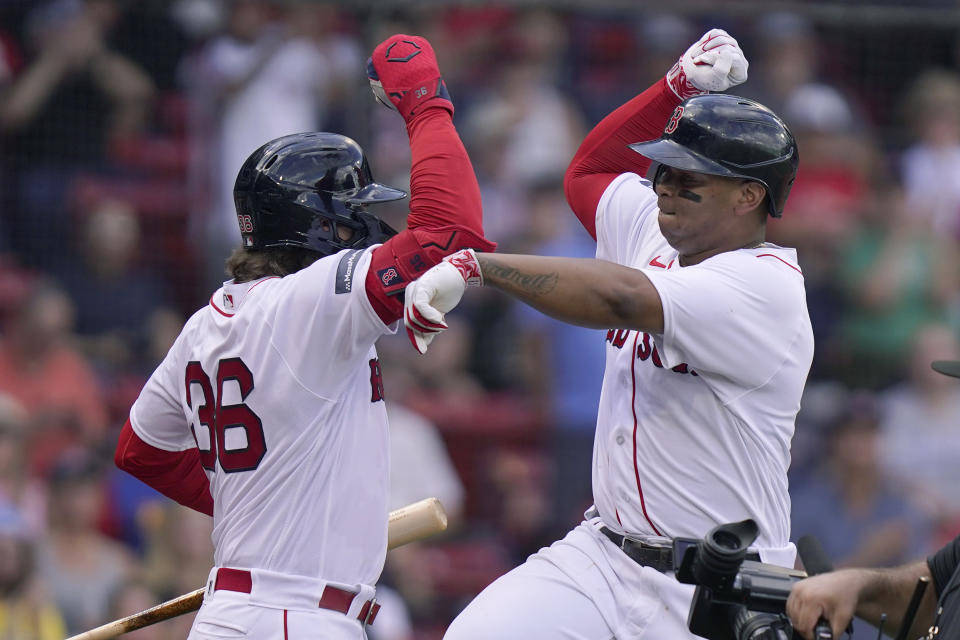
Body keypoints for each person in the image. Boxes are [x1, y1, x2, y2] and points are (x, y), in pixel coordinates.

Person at [404, 29, 814, 639]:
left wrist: (479, 266)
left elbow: (619, 296)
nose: (666, 189)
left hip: (720, 586)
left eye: (689, 178)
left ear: (748, 196)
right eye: (664, 172)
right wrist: (676, 87)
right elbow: (591, 169)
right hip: (604, 556)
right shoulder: (662, 231)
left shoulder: (767, 287)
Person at [112, 33, 494, 640]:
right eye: (352, 212)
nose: (363, 225)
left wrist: (262, 507)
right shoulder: (310, 298)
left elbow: (141, 449)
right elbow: (449, 233)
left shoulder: (205, 323)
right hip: (296, 618)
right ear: (322, 226)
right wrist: (425, 105)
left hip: (229, 613)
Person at [786, 360, 960, 640]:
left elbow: (926, 593)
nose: (860, 445)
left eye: (868, 433)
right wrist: (865, 559)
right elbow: (791, 585)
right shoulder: (804, 502)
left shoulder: (902, 505)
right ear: (833, 441)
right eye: (851, 434)